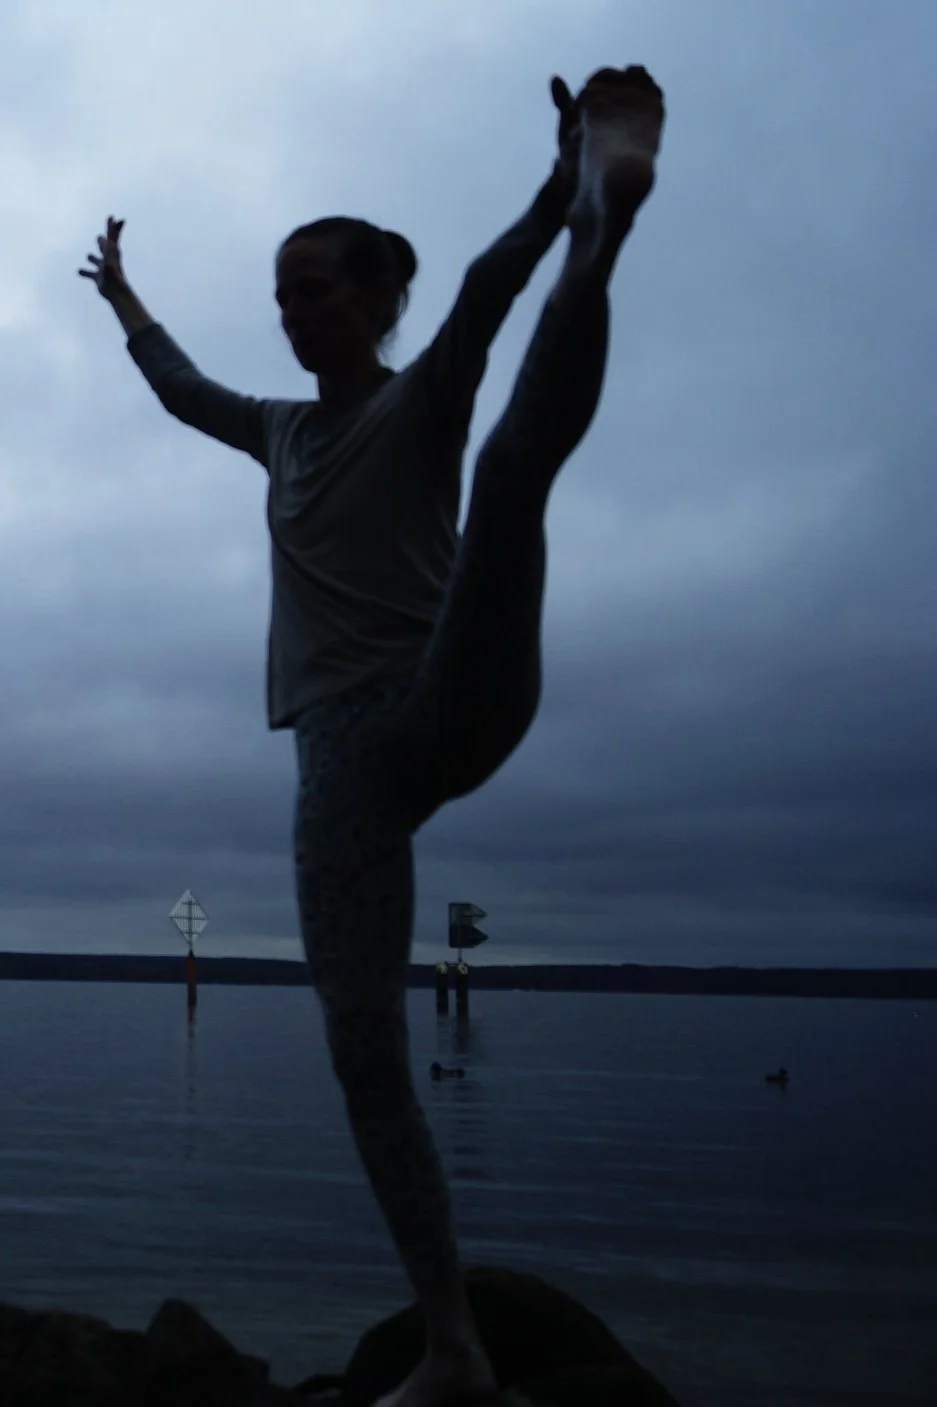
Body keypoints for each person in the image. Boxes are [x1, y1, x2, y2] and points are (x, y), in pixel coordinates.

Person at [79, 63, 665, 1407]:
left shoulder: (419, 391)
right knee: (362, 1048)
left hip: (450, 685)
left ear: (371, 297)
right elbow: (180, 388)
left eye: (315, 287)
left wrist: (557, 193)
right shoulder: (280, 431)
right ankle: (454, 1343)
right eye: (279, 293)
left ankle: (612, 216)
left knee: (513, 472)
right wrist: (121, 298)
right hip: (340, 762)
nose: (291, 312)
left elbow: (480, 295)